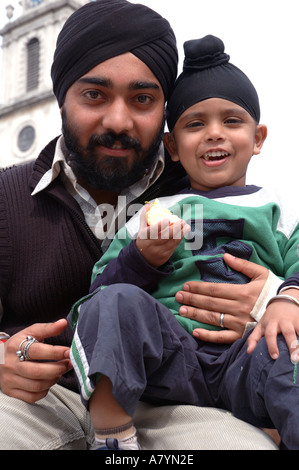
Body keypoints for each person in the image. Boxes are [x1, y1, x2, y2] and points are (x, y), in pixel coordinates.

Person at [0, 0, 277, 450]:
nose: (118, 120)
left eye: (143, 99)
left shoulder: (218, 195)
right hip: (38, 404)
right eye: (94, 95)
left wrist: (270, 300)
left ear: (166, 114)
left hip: (177, 404)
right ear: (61, 98)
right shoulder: (5, 198)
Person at [69, 34, 299, 450]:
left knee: (291, 355)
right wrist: (141, 257)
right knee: (112, 304)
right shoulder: (152, 212)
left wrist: (285, 299)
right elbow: (100, 290)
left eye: (231, 121)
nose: (214, 134)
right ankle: (112, 431)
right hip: (169, 357)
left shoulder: (276, 209)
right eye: (195, 124)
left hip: (247, 353)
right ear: (172, 147)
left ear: (259, 138)